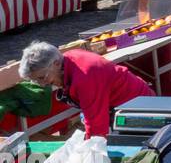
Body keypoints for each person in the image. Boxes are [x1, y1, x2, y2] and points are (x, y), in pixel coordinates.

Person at [18, 41, 152, 139]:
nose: (42, 84)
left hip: (138, 108)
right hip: (117, 106)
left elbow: (97, 126)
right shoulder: (66, 59)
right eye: (36, 80)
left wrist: (90, 153)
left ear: (56, 63)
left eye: (42, 77)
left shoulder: (85, 76)